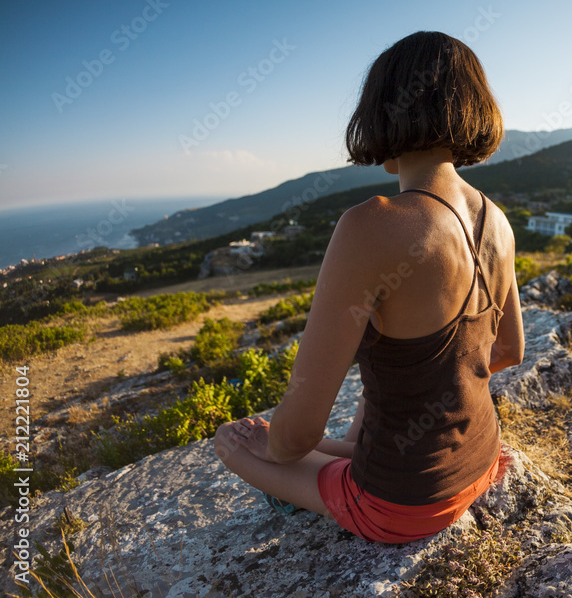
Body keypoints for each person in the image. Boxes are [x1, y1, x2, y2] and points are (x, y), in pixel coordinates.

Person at [213, 31, 525, 544]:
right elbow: (508, 350)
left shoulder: (371, 226)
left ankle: (288, 464)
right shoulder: (498, 221)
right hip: (482, 460)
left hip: (403, 504)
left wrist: (266, 445)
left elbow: (296, 437)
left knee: (231, 443)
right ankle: (357, 449)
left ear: (382, 111)